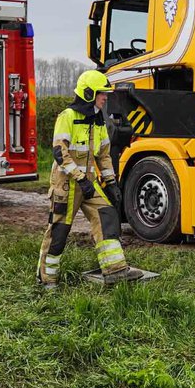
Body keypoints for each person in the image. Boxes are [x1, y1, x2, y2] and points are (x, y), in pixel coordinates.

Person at [37, 69, 149, 287]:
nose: (106, 97)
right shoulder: (67, 117)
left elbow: (104, 155)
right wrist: (80, 179)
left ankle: (115, 269)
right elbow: (60, 152)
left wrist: (111, 183)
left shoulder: (98, 121)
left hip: (89, 182)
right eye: (102, 93)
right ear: (89, 93)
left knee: (106, 215)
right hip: (66, 184)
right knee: (59, 231)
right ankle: (47, 279)